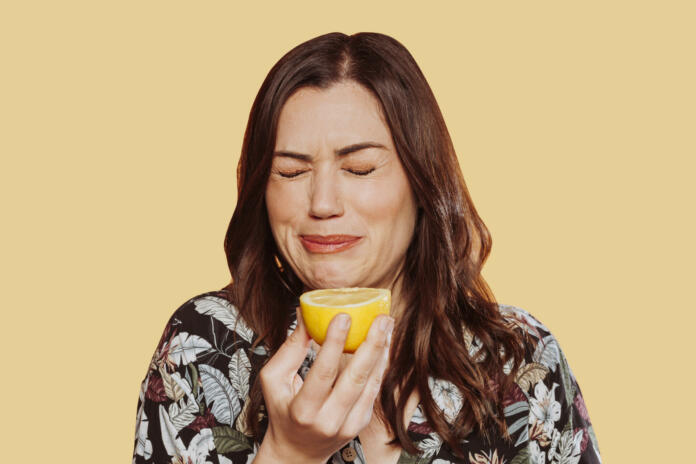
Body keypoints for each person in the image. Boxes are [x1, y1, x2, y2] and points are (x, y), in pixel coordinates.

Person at [132, 32, 602, 464]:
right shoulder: (202, 347)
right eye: (292, 172)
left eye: (359, 169)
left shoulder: (520, 359)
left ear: (422, 182)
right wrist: (288, 453)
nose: (322, 204)